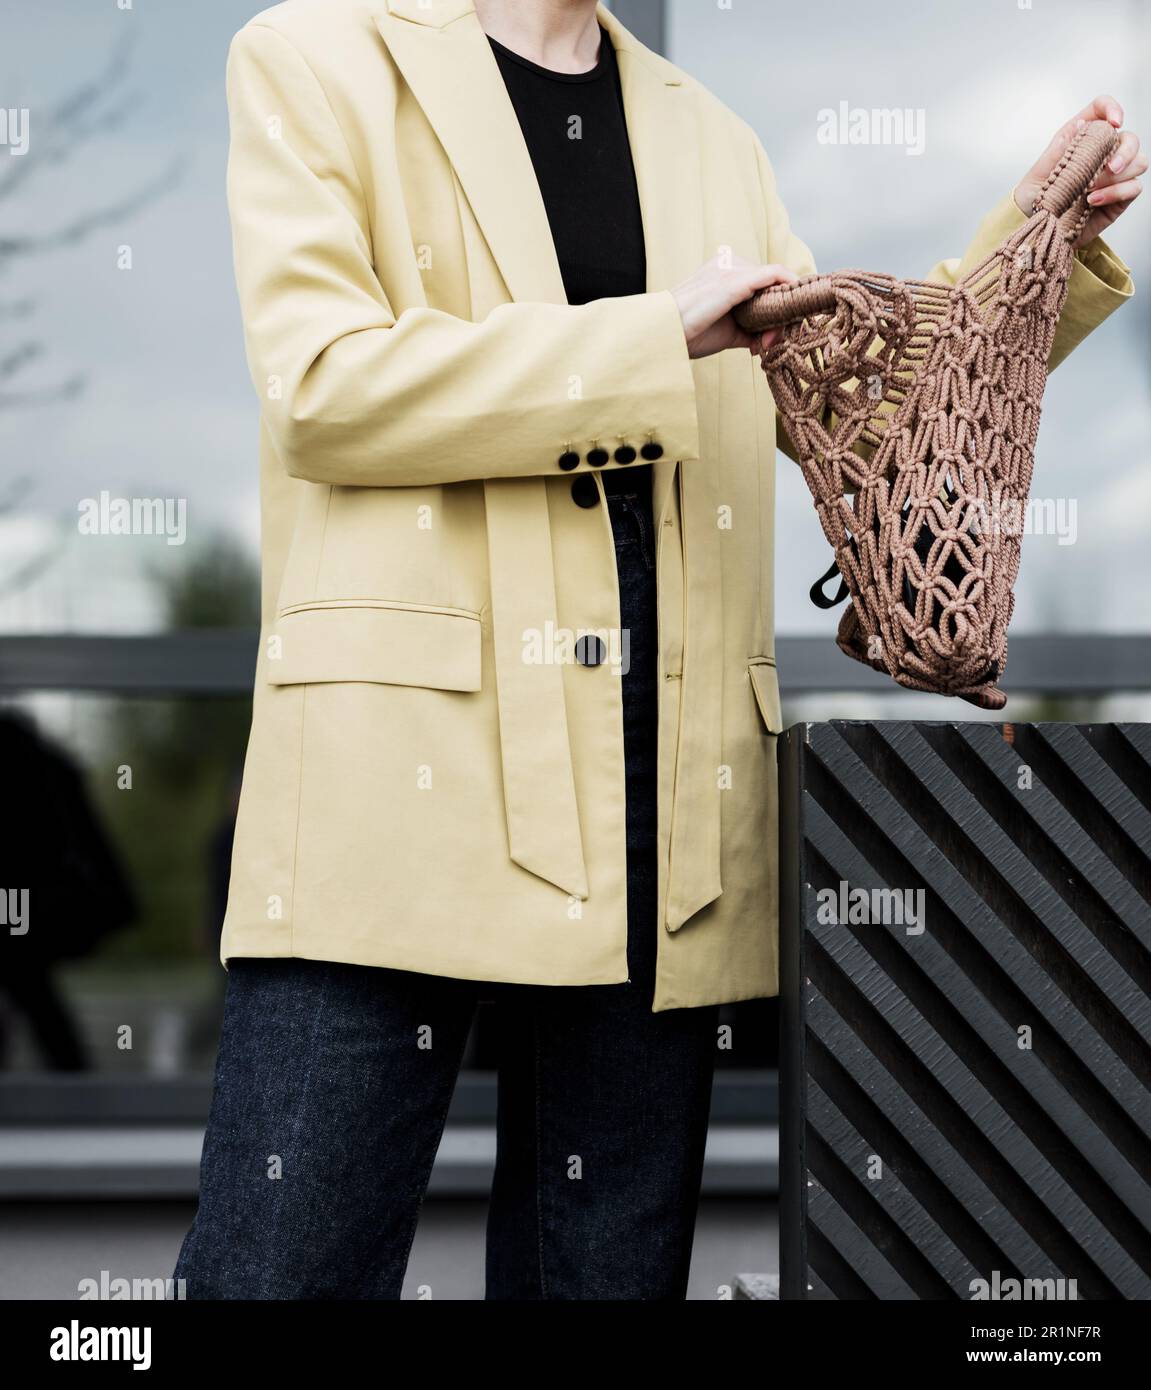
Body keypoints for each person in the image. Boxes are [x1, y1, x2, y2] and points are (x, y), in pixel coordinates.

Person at [175, 0, 1139, 1299]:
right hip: (394, 788)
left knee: (605, 1285)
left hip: (664, 807)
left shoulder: (714, 142)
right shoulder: (314, 56)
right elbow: (323, 385)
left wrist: (1032, 257)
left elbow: (863, 409)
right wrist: (652, 332)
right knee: (283, 1274)